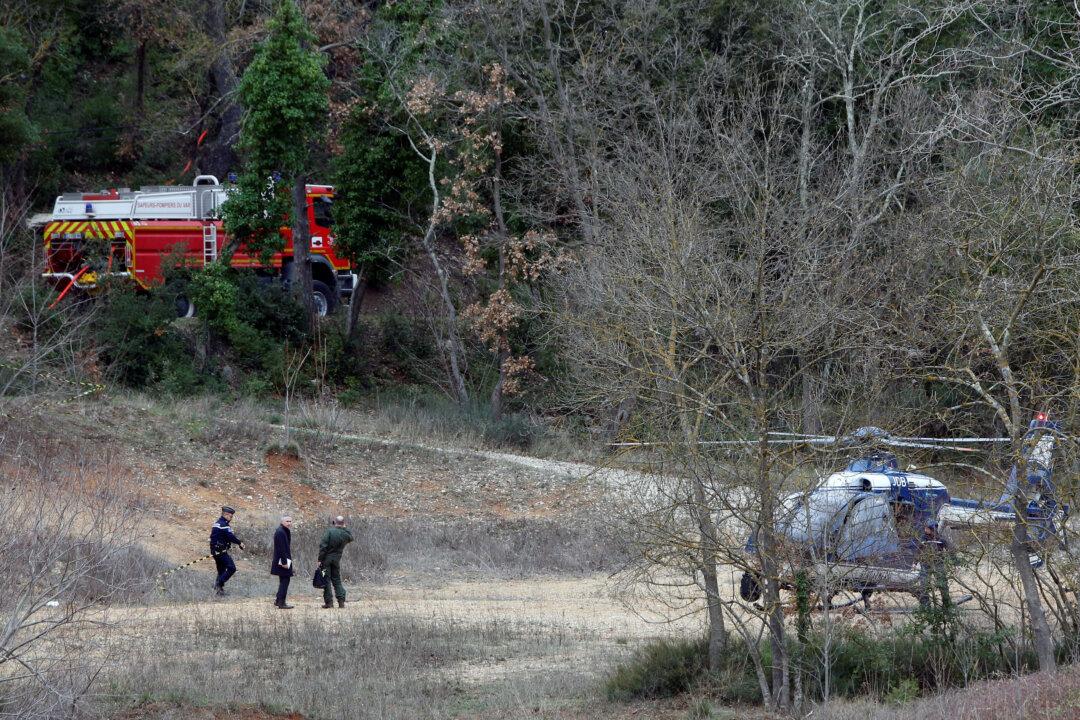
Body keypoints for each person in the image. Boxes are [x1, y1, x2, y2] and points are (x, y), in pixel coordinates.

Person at [318, 515, 353, 609]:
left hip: (326, 560)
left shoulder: (330, 531)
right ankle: (341, 602)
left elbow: (323, 546)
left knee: (326, 579)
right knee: (337, 580)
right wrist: (345, 528)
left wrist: (320, 559)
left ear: (334, 522)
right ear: (343, 523)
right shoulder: (345, 534)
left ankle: (329, 603)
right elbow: (351, 537)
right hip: (337, 560)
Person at [210, 505, 245, 596]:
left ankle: (219, 592)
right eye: (230, 516)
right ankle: (218, 584)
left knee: (221, 570)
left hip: (216, 550)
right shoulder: (223, 524)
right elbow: (230, 536)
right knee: (231, 568)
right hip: (220, 551)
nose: (231, 518)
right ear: (225, 514)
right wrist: (239, 543)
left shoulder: (218, 523)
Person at [271, 515, 294, 609]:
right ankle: (281, 602)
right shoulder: (281, 532)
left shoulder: (283, 531)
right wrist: (284, 562)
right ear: (282, 522)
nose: (289, 523)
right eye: (287, 521)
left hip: (283, 560)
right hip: (282, 561)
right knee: (285, 580)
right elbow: (281, 548)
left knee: (283, 580)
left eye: (290, 521)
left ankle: (278, 600)